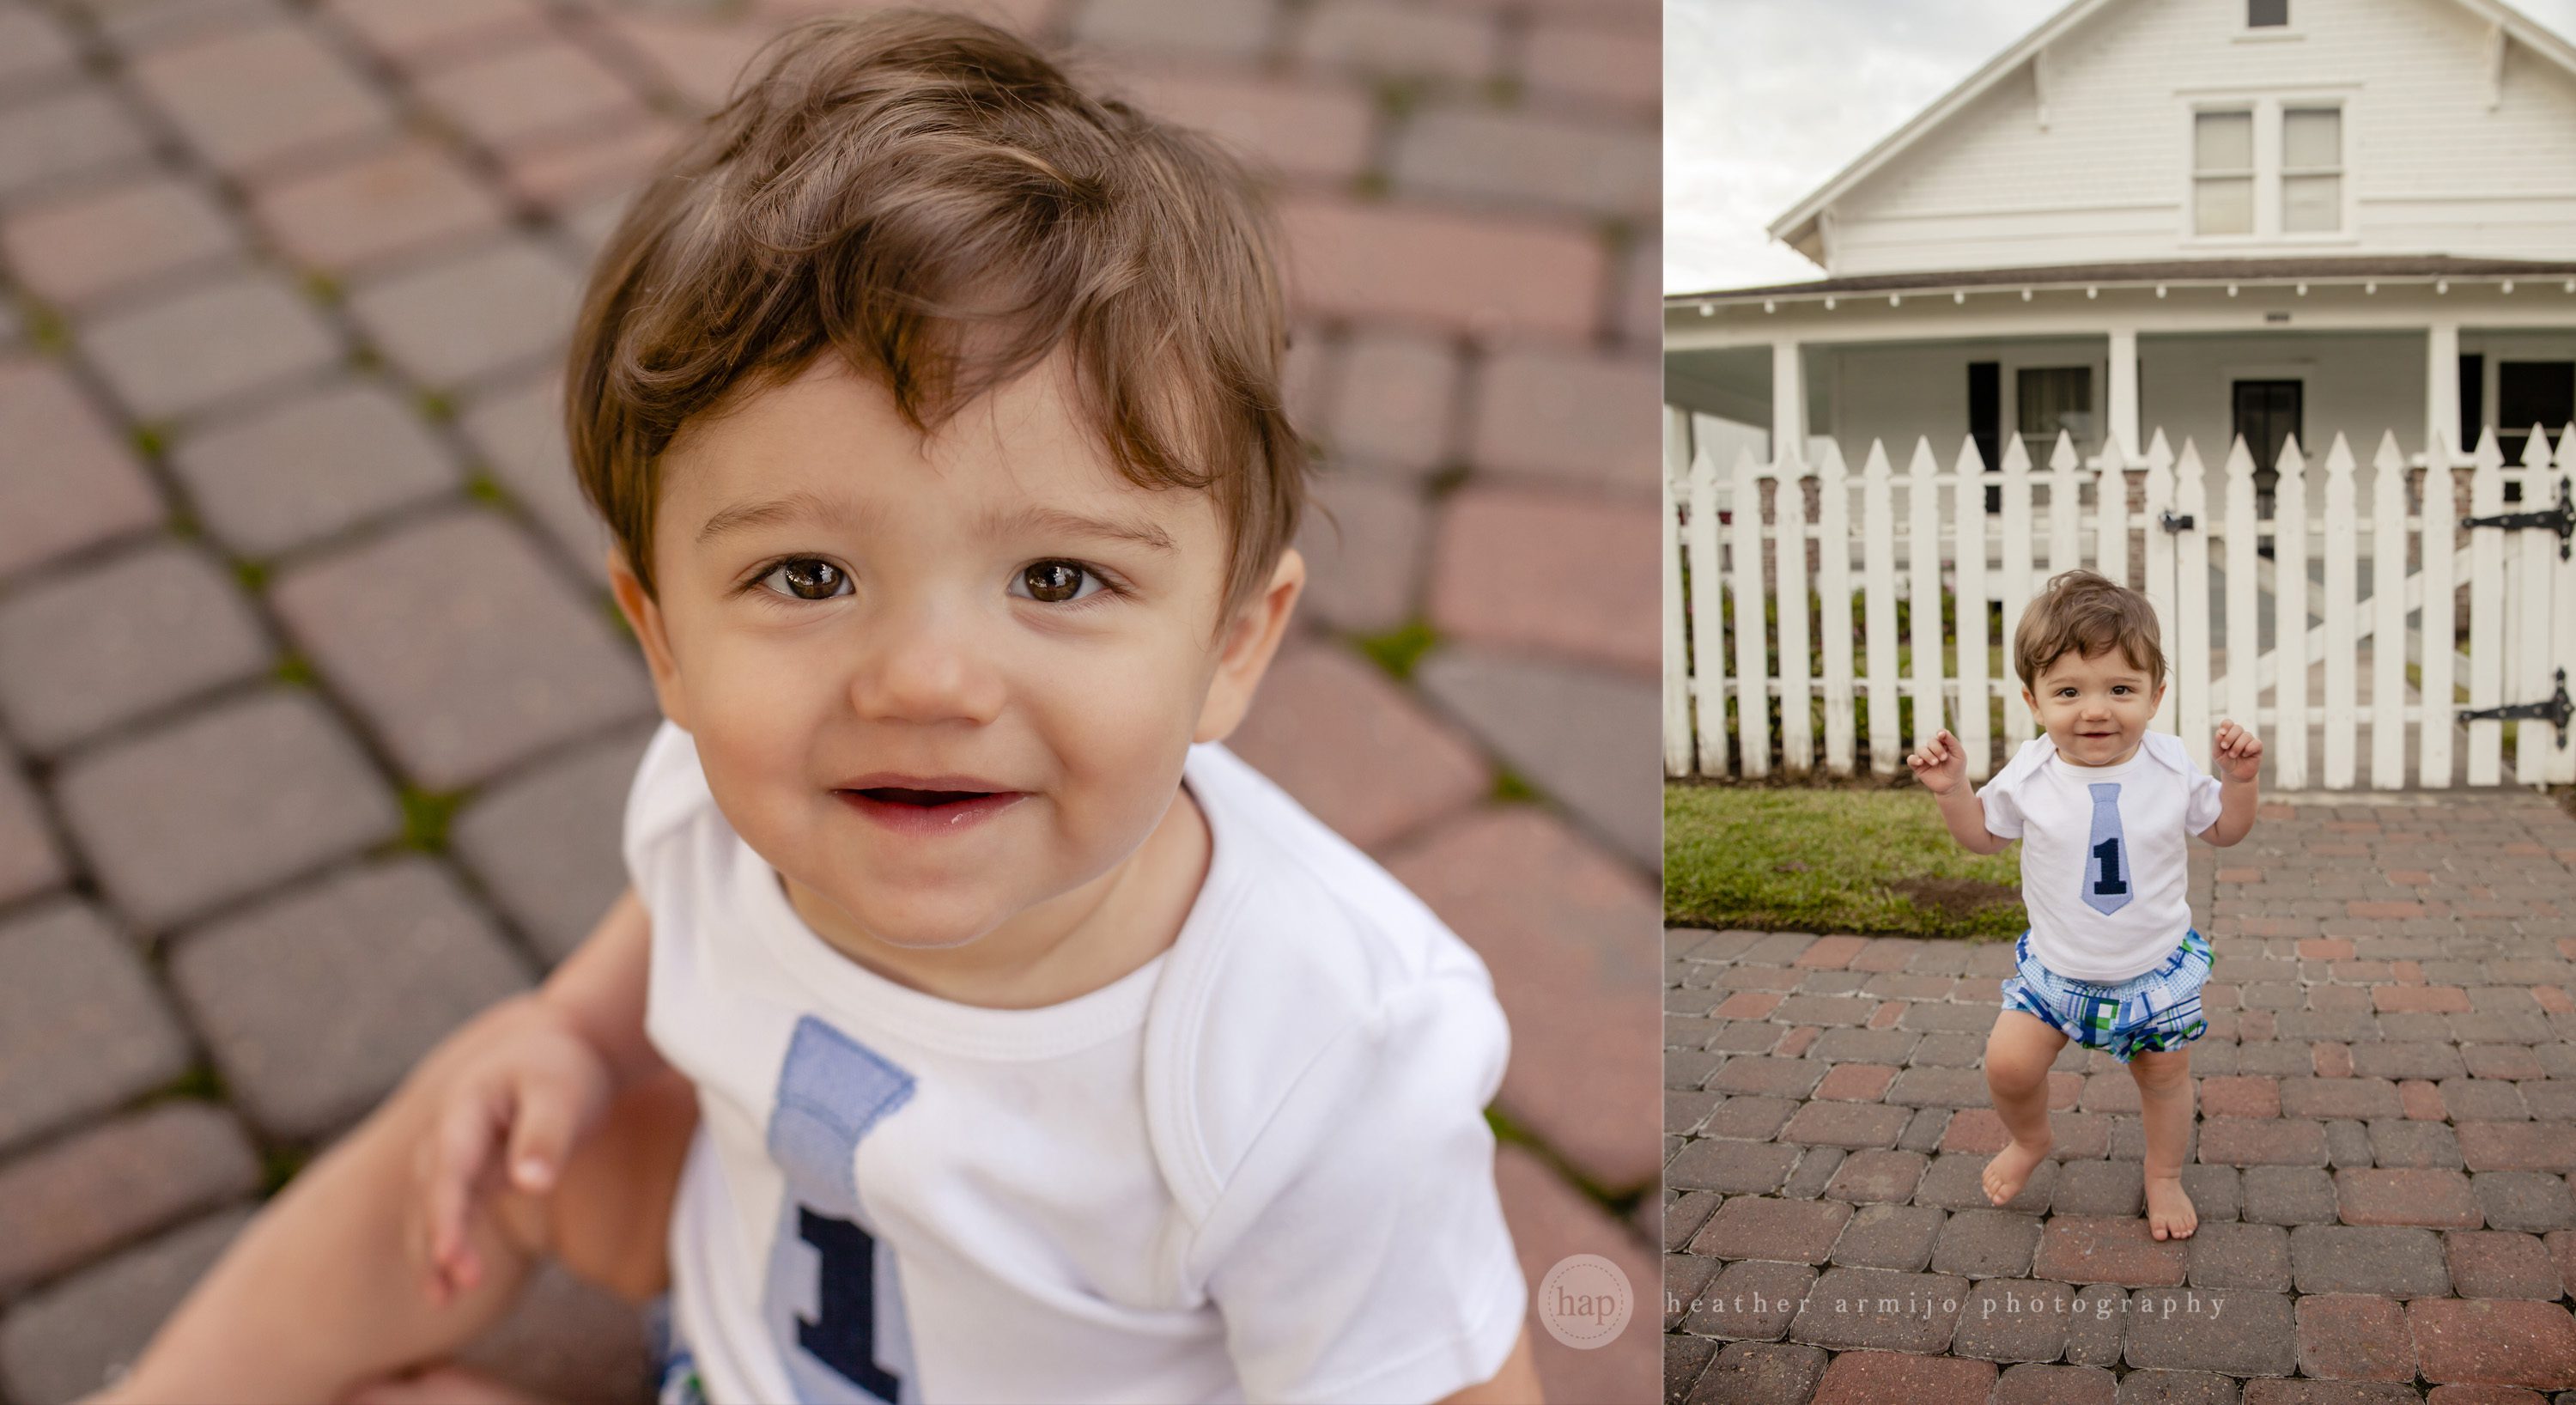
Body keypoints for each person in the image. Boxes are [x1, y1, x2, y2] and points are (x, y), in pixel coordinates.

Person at [92, 11, 1541, 1403]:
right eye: (806, 573)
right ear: (659, 633)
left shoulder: (1314, 1056)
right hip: (751, 1326)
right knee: (484, 1113)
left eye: (1055, 575)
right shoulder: (725, 794)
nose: (921, 681)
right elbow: (672, 910)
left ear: (1235, 643)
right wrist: (574, 1039)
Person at [1905, 569, 2263, 1243]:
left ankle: (2162, 1174)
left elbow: (2224, 831)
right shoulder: (2032, 773)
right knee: (2008, 1066)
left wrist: (2238, 782)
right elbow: (1982, 838)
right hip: (2057, 972)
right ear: (2034, 701)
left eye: (2120, 690)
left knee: (2163, 1080)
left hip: (2152, 973)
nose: (2096, 710)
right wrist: (1952, 789)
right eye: (2069, 692)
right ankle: (2030, 1140)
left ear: (2156, 697)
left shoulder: (2169, 764)